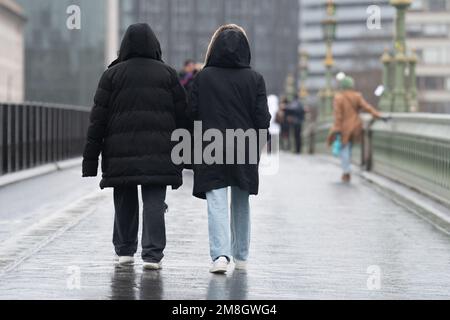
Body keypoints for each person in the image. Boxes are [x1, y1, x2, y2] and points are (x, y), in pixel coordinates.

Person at [82, 23, 188, 270]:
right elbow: (183, 117)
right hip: (160, 152)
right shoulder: (169, 75)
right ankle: (152, 254)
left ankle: (125, 250)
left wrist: (90, 161)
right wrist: (188, 155)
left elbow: (98, 120)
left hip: (121, 153)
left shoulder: (112, 75)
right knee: (153, 201)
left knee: (124, 199)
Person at [189, 24, 271, 274]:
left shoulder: (202, 77)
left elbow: (191, 113)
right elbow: (262, 119)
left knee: (216, 200)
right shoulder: (255, 79)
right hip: (244, 145)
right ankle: (242, 255)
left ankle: (220, 256)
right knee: (241, 199)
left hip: (210, 145)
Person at [327, 76, 382, 183]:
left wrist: (337, 127)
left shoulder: (339, 98)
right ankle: (346, 170)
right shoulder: (356, 96)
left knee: (344, 149)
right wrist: (377, 115)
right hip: (355, 126)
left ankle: (346, 172)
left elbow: (338, 115)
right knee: (349, 148)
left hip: (343, 128)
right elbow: (367, 107)